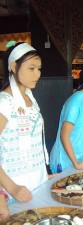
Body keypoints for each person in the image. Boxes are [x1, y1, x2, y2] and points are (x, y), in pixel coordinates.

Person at [0, 42, 54, 207]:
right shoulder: (4, 102)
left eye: (39, 69)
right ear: (14, 67)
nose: (37, 74)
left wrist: (44, 174)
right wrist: (13, 187)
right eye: (31, 68)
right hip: (15, 189)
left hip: (37, 183)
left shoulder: (31, 99)